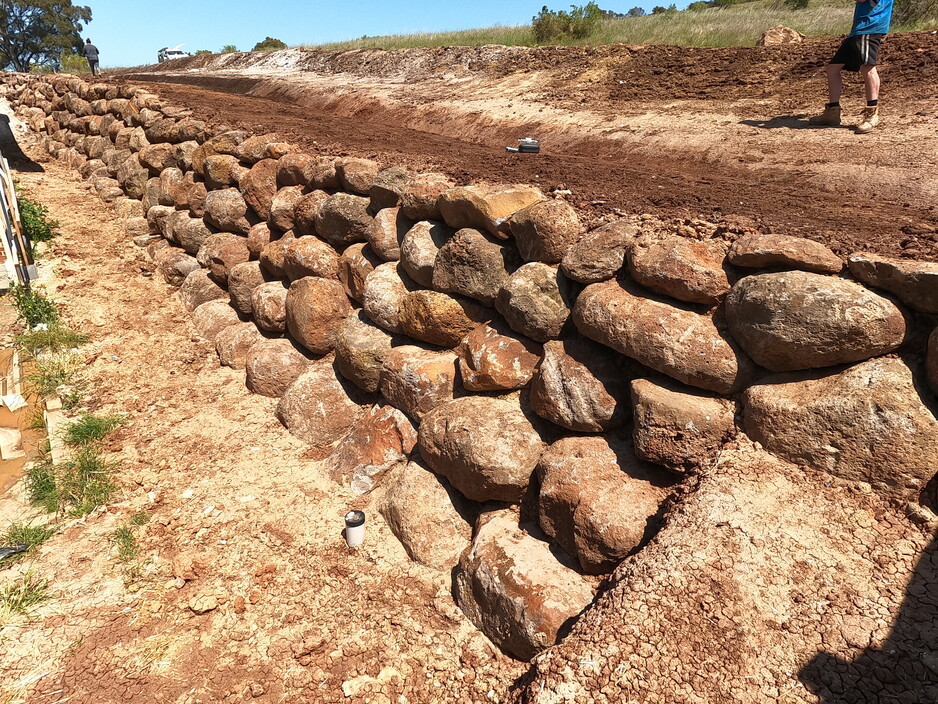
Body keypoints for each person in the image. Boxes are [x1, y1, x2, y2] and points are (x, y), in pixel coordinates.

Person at [810, 0, 894, 134]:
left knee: (867, 68)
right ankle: (832, 112)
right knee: (833, 68)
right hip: (861, 28)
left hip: (870, 25)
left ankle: (871, 114)